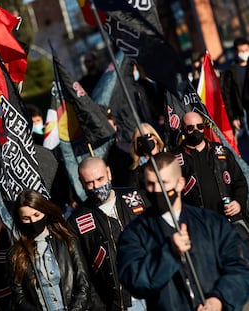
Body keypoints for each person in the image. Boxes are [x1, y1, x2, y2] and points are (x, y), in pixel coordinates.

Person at [117, 152, 249, 310]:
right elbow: (134, 281)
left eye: (163, 183)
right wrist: (168, 254)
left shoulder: (212, 223)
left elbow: (240, 268)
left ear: (180, 183)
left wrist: (219, 299)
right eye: (150, 184)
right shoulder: (135, 232)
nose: (156, 190)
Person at [68, 157, 146, 310]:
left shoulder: (137, 197)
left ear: (109, 173)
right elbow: (83, 274)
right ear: (81, 182)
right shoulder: (76, 221)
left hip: (154, 290)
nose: (96, 186)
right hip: (121, 303)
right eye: (89, 183)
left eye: (100, 179)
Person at [9, 189, 91, 310]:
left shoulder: (67, 241)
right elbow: (19, 297)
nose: (33, 222)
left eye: (36, 215)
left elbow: (83, 284)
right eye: (26, 218)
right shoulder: (16, 253)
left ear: (45, 212)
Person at [171, 112, 248, 223]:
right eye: (190, 128)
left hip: (229, 219)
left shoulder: (221, 152)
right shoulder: (174, 159)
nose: (196, 130)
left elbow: (240, 182)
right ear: (183, 130)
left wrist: (238, 203)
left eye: (200, 126)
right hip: (199, 224)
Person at [220, 37, 249, 138]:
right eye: (241, 51)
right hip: (243, 111)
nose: (244, 53)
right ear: (236, 52)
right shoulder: (230, 72)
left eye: (246, 50)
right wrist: (233, 117)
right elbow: (227, 95)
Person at [129, 123, 165, 188]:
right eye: (140, 139)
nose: (144, 141)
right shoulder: (136, 171)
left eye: (147, 136)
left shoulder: (168, 159)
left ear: (155, 138)